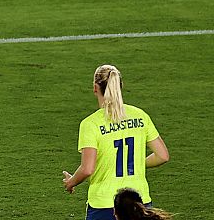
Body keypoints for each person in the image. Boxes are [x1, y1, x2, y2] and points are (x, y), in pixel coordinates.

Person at [62, 65, 170, 220]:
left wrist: (71, 182)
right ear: (120, 86)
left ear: (95, 88)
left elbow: (87, 169)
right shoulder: (140, 116)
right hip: (139, 202)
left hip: (104, 204)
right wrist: (137, 163)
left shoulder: (91, 124)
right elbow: (162, 156)